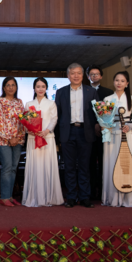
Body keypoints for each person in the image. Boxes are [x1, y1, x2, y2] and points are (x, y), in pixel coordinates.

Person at [55, 63, 99, 208]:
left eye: (79, 73)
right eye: (73, 73)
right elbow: (57, 115)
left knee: (85, 166)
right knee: (69, 167)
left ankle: (85, 197)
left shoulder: (91, 91)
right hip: (67, 132)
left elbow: (97, 113)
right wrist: (57, 137)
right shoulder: (61, 92)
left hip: (85, 132)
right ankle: (71, 197)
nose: (76, 76)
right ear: (68, 76)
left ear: (83, 75)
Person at [22, 78, 64, 207]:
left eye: (43, 86)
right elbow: (26, 120)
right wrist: (29, 130)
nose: (40, 89)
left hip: (47, 138)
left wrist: (46, 131)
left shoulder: (51, 103)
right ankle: (34, 196)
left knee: (47, 166)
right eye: (38, 86)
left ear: (46, 88)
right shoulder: (29, 104)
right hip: (33, 138)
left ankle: (49, 196)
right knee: (34, 166)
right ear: (34, 88)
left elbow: (54, 119)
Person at [102, 71, 132, 207]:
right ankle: (112, 197)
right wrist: (106, 125)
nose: (119, 83)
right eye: (117, 80)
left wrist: (130, 126)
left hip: (126, 134)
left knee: (127, 164)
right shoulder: (107, 99)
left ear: (127, 83)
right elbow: (103, 117)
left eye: (122, 81)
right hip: (111, 134)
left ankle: (128, 196)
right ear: (113, 82)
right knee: (111, 162)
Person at [0, 77, 25, 207]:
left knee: (13, 168)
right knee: (7, 167)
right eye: (8, 85)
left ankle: (10, 196)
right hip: (2, 140)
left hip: (17, 140)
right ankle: (4, 197)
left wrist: (17, 137)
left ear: (16, 87)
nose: (11, 87)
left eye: (13, 85)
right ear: (4, 88)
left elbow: (22, 121)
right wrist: (8, 138)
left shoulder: (19, 102)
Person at [86, 65, 114, 200]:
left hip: (105, 131)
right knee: (90, 162)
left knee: (104, 161)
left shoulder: (108, 92)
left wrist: (101, 124)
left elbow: (110, 111)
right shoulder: (85, 91)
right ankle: (91, 191)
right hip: (89, 131)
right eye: (92, 74)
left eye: (97, 74)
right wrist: (94, 125)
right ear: (88, 77)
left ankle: (104, 191)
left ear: (101, 76)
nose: (94, 76)